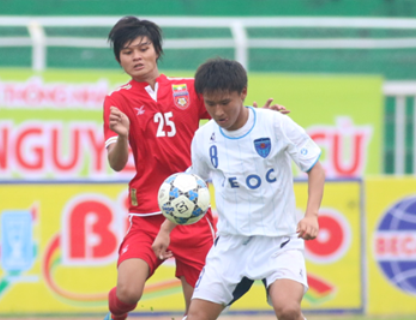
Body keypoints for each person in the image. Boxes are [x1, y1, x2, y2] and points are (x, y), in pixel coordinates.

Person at [103, 17, 287, 320]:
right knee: (127, 293)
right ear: (119, 60)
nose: (136, 56)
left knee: (199, 313)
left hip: (193, 216)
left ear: (157, 51)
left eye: (143, 48)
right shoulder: (117, 99)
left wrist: (260, 119)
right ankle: (115, 315)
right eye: (127, 52)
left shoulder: (187, 89)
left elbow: (228, 115)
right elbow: (116, 162)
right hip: (148, 216)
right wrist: (123, 136)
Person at [152, 58, 325, 320]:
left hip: (278, 240)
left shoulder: (275, 124)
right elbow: (191, 188)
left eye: (225, 103)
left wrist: (311, 215)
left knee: (288, 309)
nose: (218, 111)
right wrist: (165, 230)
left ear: (243, 93)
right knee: (196, 316)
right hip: (231, 244)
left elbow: (315, 168)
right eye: (210, 104)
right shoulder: (204, 138)